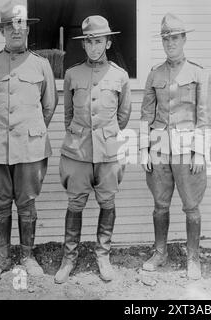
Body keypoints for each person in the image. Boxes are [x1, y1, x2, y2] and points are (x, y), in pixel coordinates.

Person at [0, 0, 58, 281]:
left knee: (27, 203)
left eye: (20, 24)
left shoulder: (41, 65)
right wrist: (2, 132)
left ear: (27, 29)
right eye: (10, 25)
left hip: (30, 147)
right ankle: (1, 257)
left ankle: (28, 256)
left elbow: (49, 106)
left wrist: (30, 132)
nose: (15, 30)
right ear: (3, 31)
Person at [54, 15, 131, 284]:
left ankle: (103, 255)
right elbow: (68, 116)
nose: (94, 47)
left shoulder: (120, 76)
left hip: (109, 153)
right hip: (78, 152)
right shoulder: (72, 74)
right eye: (89, 42)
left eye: (99, 41)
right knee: (75, 203)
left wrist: (106, 137)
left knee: (107, 202)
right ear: (83, 45)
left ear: (108, 43)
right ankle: (69, 258)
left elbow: (123, 117)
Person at [140, 13, 211, 280]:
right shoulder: (154, 74)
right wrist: (143, 148)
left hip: (188, 149)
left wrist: (200, 152)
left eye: (174, 38)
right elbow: (146, 115)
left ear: (184, 39)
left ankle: (192, 258)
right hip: (159, 146)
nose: (170, 43)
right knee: (160, 205)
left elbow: (206, 116)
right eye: (165, 39)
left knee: (191, 206)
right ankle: (160, 253)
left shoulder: (198, 73)